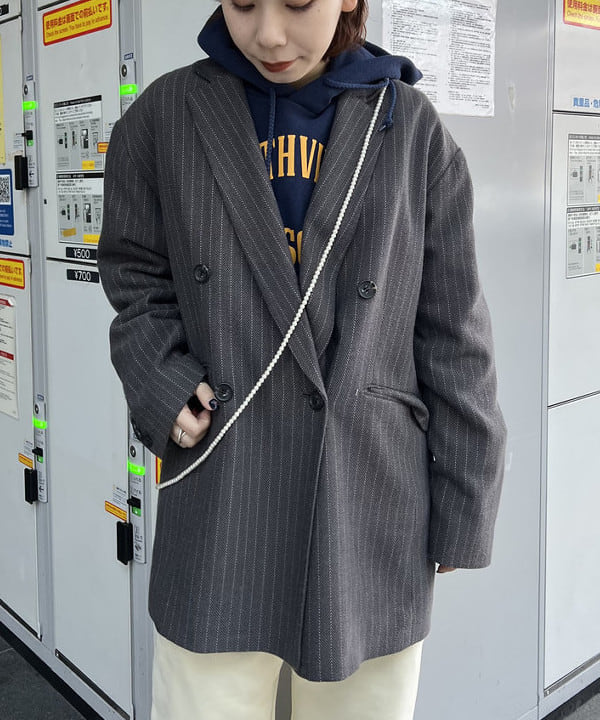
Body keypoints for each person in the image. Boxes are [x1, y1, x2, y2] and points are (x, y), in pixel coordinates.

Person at [97, 0, 507, 718]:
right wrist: (161, 381)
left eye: (295, 2)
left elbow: (453, 330)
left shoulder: (410, 129)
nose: (268, 33)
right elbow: (134, 275)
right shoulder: (163, 116)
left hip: (369, 501)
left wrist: (464, 503)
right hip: (225, 492)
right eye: (243, 2)